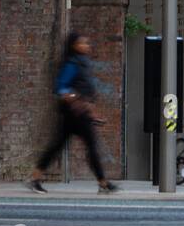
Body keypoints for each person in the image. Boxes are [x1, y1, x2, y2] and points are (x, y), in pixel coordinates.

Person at [29, 32, 118, 193]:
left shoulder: (82, 63)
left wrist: (91, 112)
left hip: (80, 114)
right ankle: (103, 182)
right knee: (85, 146)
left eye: (86, 43)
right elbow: (61, 86)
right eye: (82, 43)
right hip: (74, 114)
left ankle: (36, 177)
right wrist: (74, 99)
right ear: (74, 46)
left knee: (61, 146)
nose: (86, 46)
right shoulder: (72, 63)